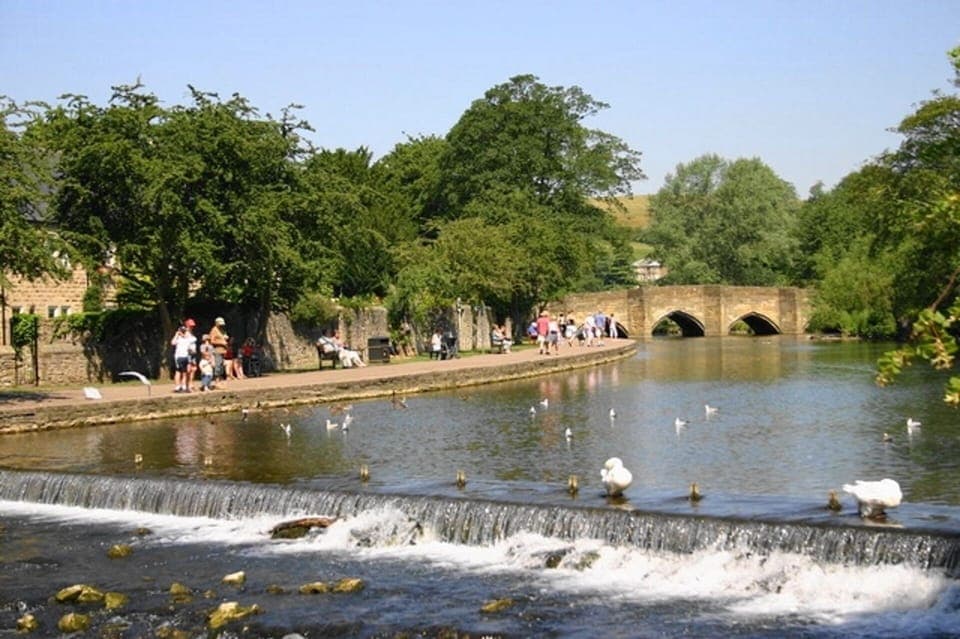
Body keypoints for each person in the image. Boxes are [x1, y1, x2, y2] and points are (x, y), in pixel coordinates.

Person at [170, 321, 197, 393]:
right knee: (178, 371)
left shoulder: (188, 338)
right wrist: (177, 335)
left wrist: (182, 334)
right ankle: (178, 386)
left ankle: (184, 386)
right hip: (179, 357)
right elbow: (173, 342)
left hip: (185, 356)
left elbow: (193, 340)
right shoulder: (179, 338)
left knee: (185, 372)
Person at [209, 317, 229, 382]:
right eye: (220, 324)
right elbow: (212, 341)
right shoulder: (213, 330)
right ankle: (216, 380)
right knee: (218, 365)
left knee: (221, 366)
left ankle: (220, 380)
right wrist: (222, 343)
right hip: (217, 350)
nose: (221, 325)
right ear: (216, 323)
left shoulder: (222, 330)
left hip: (223, 351)